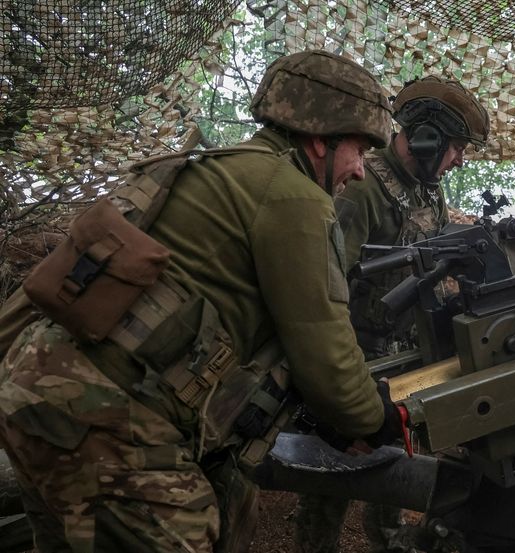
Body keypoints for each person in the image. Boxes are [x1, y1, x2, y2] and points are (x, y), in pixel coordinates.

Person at [0, 50, 404, 553]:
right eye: (360, 151)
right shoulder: (295, 197)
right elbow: (326, 355)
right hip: (104, 416)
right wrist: (374, 418)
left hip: (37, 385)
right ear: (322, 138)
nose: (361, 171)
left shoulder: (218, 170)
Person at [294, 76, 489, 553]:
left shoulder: (428, 190)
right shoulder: (362, 191)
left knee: (395, 452)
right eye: (458, 147)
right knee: (336, 469)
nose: (460, 159)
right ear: (428, 138)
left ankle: (387, 538)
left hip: (405, 352)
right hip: (356, 354)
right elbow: (326, 287)